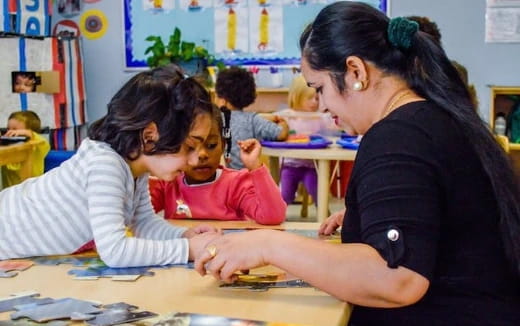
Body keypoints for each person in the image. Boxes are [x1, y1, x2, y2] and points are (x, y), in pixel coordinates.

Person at [194, 2, 520, 325]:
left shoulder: (397, 135)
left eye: (319, 88)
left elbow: (398, 279)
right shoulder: (432, 118)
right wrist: (367, 215)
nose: (321, 106)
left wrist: (269, 244)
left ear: (355, 72)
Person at [0, 64, 221, 267]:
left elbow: (143, 224)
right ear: (150, 136)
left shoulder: (136, 167)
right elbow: (115, 250)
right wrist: (188, 250)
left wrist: (184, 237)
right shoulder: (105, 165)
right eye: (190, 147)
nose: (194, 160)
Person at [148, 105, 286, 224]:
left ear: (223, 145)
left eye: (211, 145)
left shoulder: (236, 184)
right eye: (190, 147)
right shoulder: (168, 183)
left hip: (227, 252)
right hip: (183, 253)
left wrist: (256, 167)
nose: (202, 154)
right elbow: (132, 214)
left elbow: (273, 217)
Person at [215, 66, 289, 169]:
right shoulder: (252, 120)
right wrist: (283, 122)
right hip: (245, 178)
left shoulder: (214, 119)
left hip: (220, 177)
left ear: (223, 100)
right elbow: (281, 133)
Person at [276, 75, 320, 204]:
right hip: (289, 165)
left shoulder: (317, 118)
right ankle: (279, 217)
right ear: (297, 96)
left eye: (317, 98)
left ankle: (325, 216)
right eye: (310, 98)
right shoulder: (287, 116)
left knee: (318, 193)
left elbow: (329, 131)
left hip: (311, 166)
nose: (314, 102)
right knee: (285, 195)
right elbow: (275, 129)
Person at [1, 111, 50, 188]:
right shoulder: (9, 148)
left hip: (32, 190)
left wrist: (29, 133)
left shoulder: (36, 145)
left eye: (15, 129)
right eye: (8, 129)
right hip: (9, 193)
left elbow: (43, 142)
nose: (10, 132)